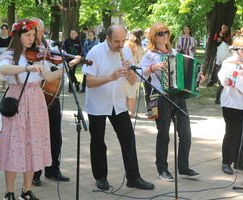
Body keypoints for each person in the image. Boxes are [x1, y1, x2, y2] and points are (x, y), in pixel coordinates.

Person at [81, 25, 155, 191]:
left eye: (123, 41)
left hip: (118, 104)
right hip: (98, 104)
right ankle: (101, 177)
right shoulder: (95, 52)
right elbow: (89, 82)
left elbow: (132, 81)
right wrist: (111, 77)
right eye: (117, 41)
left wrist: (129, 71)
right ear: (107, 38)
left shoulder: (126, 51)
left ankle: (133, 177)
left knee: (128, 138)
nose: (120, 45)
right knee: (98, 141)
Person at [0, 18, 63, 200]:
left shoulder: (37, 54)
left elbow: (48, 77)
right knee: (14, 146)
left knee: (32, 145)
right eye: (27, 35)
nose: (31, 38)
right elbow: (4, 69)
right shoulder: (10, 54)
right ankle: (9, 192)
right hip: (17, 101)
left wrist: (67, 68)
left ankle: (26, 191)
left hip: (36, 102)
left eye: (33, 35)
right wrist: (26, 67)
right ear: (18, 35)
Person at [139, 23, 200, 182]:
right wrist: (153, 67)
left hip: (178, 97)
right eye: (160, 33)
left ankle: (183, 167)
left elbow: (187, 71)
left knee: (186, 133)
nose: (164, 35)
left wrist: (197, 76)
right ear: (154, 36)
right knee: (164, 135)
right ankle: (162, 168)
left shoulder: (174, 52)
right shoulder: (150, 55)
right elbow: (139, 73)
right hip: (161, 97)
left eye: (166, 32)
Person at [29, 18, 70, 187]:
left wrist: (66, 62)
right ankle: (35, 173)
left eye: (41, 30)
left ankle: (53, 169)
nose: (42, 33)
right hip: (34, 99)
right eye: (38, 30)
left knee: (55, 135)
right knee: (37, 137)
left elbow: (54, 62)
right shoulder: (27, 50)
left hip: (51, 96)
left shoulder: (49, 45)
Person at [218, 36, 243, 175]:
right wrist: (240, 72)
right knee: (232, 133)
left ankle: (239, 161)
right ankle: (226, 162)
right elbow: (224, 80)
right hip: (232, 103)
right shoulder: (228, 62)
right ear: (236, 49)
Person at [124, 29, 144, 118]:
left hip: (125, 70)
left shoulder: (125, 45)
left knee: (124, 92)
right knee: (132, 93)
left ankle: (123, 111)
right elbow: (141, 61)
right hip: (135, 71)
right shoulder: (140, 48)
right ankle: (131, 112)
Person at [0, 24, 11, 92]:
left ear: (7, 30)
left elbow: (10, 48)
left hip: (6, 55)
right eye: (3, 29)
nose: (4, 30)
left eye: (5, 29)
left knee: (5, 72)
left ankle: (4, 87)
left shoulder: (10, 38)